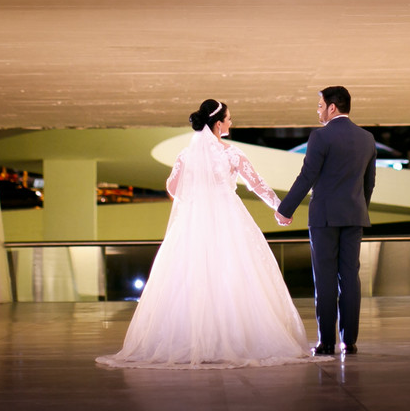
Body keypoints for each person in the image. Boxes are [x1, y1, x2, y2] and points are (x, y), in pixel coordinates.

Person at [97, 99, 316, 369]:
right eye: (229, 118)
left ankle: (194, 340)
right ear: (218, 124)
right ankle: (234, 339)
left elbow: (173, 188)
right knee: (233, 273)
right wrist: (280, 208)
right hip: (228, 218)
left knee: (192, 276)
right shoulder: (231, 153)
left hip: (194, 220)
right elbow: (257, 184)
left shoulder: (186, 155)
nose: (231, 122)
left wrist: (197, 200)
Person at [276, 86, 376, 357]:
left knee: (325, 280)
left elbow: (307, 175)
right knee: (350, 277)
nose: (318, 110)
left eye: (320, 106)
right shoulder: (367, 138)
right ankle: (349, 342)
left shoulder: (320, 136)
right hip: (354, 217)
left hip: (324, 218)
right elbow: (369, 183)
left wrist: (285, 209)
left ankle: (327, 343)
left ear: (332, 107)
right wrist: (358, 209)